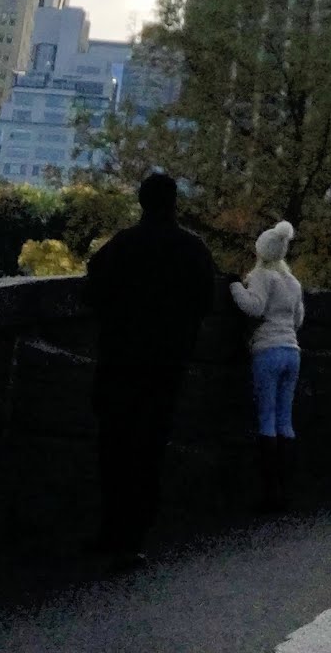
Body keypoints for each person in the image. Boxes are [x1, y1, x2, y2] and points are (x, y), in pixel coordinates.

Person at [86, 172, 214, 567]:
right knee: (150, 448)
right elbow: (205, 302)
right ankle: (135, 534)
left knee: (115, 445)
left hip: (120, 361)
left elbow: (93, 290)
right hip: (167, 364)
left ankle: (111, 529)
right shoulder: (193, 250)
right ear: (174, 201)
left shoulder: (121, 246)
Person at [230, 220, 305, 510]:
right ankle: (287, 488)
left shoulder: (263, 276)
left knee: (266, 419)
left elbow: (254, 307)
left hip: (267, 350)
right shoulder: (292, 282)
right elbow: (298, 320)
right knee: (286, 420)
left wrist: (235, 286)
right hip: (292, 351)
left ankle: (269, 492)